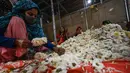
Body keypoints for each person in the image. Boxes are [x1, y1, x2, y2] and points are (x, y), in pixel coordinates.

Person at [0, 0, 65, 62]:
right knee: (17, 20)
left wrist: (54, 48)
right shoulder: (9, 21)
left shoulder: (34, 26)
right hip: (8, 51)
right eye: (30, 14)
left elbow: (42, 40)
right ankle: (21, 54)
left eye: (35, 16)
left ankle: (26, 54)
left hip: (27, 51)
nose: (33, 17)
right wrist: (15, 42)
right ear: (22, 12)